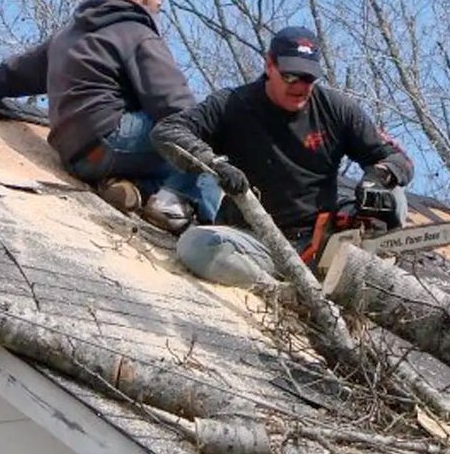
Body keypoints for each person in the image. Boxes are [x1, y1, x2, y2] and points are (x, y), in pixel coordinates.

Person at [0, 0, 218, 232]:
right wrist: (204, 142)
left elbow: (17, 72)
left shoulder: (68, 35)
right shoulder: (137, 32)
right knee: (207, 140)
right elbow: (172, 100)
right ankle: (196, 221)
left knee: (172, 161)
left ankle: (131, 190)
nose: (161, 3)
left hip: (77, 156)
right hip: (113, 137)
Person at [151, 26, 412, 286]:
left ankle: (375, 264)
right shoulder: (233, 104)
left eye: (308, 78)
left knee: (393, 194)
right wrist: (213, 163)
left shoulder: (337, 109)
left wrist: (378, 177)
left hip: (322, 242)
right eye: (290, 76)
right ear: (269, 66)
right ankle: (278, 291)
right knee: (194, 245)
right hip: (253, 240)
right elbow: (168, 131)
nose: (299, 86)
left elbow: (397, 158)